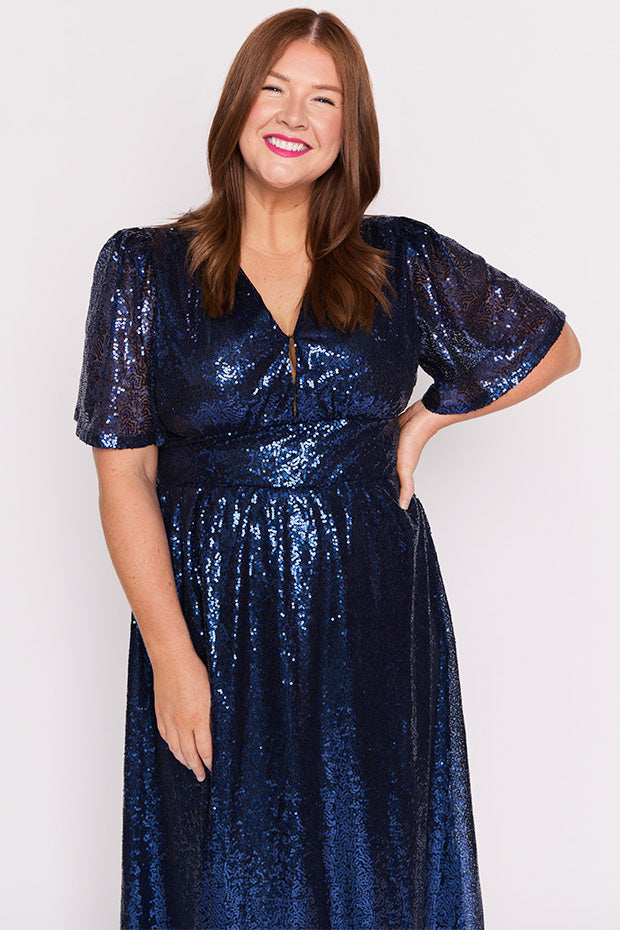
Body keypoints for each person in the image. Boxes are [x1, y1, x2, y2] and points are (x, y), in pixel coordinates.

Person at [74, 8, 581, 930]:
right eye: (273, 89)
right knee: (225, 875)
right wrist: (171, 656)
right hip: (213, 615)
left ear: (350, 128)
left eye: (323, 99)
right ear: (238, 105)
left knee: (373, 862)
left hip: (374, 607)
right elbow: (124, 479)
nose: (292, 116)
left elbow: (554, 344)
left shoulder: (400, 258)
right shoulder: (143, 268)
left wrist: (425, 422)